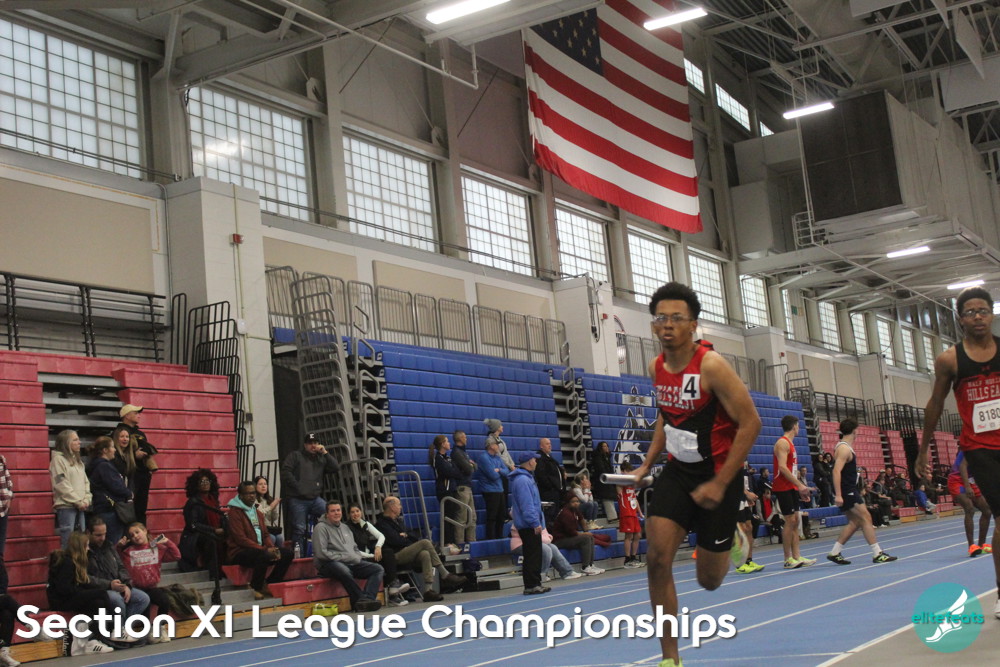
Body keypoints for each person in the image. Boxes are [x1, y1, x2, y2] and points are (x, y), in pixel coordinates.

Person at [632, 282, 761, 667]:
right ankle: (670, 658)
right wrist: (646, 463)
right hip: (678, 472)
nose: (668, 325)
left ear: (693, 324)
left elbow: (751, 423)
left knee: (709, 580)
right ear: (653, 324)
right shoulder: (656, 367)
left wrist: (721, 483)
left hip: (718, 474)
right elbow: (666, 417)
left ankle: (732, 535)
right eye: (661, 318)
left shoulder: (712, 366)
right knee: (657, 559)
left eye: (677, 318)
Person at [918, 287, 1000, 619]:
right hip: (979, 448)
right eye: (970, 312)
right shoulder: (950, 360)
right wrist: (923, 450)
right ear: (960, 319)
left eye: (983, 311)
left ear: (992, 314)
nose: (977, 317)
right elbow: (935, 404)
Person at [826, 418, 897, 566]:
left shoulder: (844, 447)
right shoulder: (844, 449)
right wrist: (838, 494)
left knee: (855, 522)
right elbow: (836, 471)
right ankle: (877, 553)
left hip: (848, 489)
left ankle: (835, 552)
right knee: (866, 518)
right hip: (847, 490)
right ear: (854, 431)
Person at [375, 496, 466, 602]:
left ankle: (428, 591)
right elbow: (395, 541)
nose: (400, 507)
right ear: (392, 507)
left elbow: (414, 535)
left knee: (425, 554)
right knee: (425, 542)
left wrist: (405, 535)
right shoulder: (381, 524)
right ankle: (444, 574)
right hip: (394, 555)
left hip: (406, 551)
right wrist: (405, 537)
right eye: (398, 504)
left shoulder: (398, 521)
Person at [47, 532, 116, 655]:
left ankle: (92, 640)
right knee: (101, 593)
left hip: (69, 596)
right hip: (61, 601)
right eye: (87, 546)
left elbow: (80, 584)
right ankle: (115, 628)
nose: (88, 549)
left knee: (98, 603)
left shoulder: (76, 561)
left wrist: (85, 592)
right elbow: (64, 589)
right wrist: (84, 592)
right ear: (80, 547)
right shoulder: (67, 562)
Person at [117, 523, 192, 632]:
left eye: (137, 532)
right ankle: (145, 633)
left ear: (145, 531)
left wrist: (167, 542)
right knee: (145, 607)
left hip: (152, 587)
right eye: (132, 535)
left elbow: (177, 556)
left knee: (164, 601)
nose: (135, 536)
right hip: (136, 589)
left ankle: (160, 628)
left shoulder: (156, 548)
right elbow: (116, 559)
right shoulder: (128, 551)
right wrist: (119, 546)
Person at [312, 501, 383, 613]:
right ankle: (360, 600)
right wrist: (345, 557)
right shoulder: (320, 528)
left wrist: (356, 557)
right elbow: (321, 554)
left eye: (338, 510)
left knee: (378, 569)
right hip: (328, 564)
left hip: (349, 562)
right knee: (343, 570)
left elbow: (354, 548)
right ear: (327, 514)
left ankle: (367, 599)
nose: (336, 513)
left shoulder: (345, 528)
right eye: (333, 511)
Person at [226, 481, 293, 600]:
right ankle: (255, 587)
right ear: (240, 495)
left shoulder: (257, 512)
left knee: (288, 553)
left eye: (253, 493)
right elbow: (241, 539)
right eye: (248, 493)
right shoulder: (234, 513)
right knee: (263, 555)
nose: (252, 496)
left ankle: (271, 583)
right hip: (239, 552)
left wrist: (271, 547)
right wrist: (264, 549)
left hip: (259, 549)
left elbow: (265, 534)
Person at [86, 517, 151, 629]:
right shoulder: (85, 550)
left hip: (118, 585)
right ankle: (120, 630)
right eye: (98, 535)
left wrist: (127, 585)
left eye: (104, 534)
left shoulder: (109, 546)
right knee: (117, 600)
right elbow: (86, 577)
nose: (102, 538)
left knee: (143, 598)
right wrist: (109, 584)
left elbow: (121, 567)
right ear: (88, 533)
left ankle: (122, 628)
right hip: (101, 588)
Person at [280, 433, 340, 554]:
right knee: (300, 529)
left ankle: (333, 550)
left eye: (315, 443)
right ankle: (299, 556)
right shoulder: (295, 455)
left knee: (332, 517)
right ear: (305, 445)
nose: (313, 446)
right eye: (310, 443)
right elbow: (286, 471)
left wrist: (325, 453)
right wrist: (298, 486)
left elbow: (335, 467)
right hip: (297, 499)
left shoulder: (321, 458)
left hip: (315, 499)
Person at [345, 504, 410, 606]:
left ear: (361, 512)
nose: (355, 514)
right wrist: (371, 555)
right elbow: (354, 550)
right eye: (352, 512)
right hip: (359, 558)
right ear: (349, 515)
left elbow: (381, 536)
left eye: (357, 511)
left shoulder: (365, 524)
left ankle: (393, 587)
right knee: (385, 562)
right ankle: (393, 594)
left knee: (387, 552)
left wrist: (378, 547)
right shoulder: (346, 528)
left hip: (368, 555)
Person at [772, 416, 815, 569]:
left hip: (791, 486)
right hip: (783, 487)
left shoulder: (790, 444)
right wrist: (800, 485)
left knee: (796, 520)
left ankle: (797, 556)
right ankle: (787, 558)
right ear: (795, 426)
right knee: (789, 521)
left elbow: (792, 469)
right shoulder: (782, 443)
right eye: (798, 426)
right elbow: (782, 468)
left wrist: (798, 487)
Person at [510, 451, 549, 595]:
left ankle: (535, 583)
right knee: (532, 555)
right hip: (528, 525)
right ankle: (532, 584)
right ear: (530, 461)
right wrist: (534, 522)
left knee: (534, 554)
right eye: (535, 460)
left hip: (528, 523)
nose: (536, 462)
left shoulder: (526, 479)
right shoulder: (523, 480)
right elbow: (527, 505)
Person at [114, 405, 157, 525]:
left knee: (141, 507)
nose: (139, 415)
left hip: (143, 473)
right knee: (129, 507)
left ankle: (141, 530)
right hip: (130, 474)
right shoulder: (118, 432)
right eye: (136, 413)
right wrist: (134, 455)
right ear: (127, 415)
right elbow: (117, 453)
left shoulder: (140, 433)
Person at [86, 436, 133, 545]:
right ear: (105, 450)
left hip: (103, 508)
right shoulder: (104, 466)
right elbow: (116, 486)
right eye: (112, 447)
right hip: (109, 509)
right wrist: (129, 493)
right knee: (113, 543)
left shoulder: (96, 465)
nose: (115, 450)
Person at [178, 469, 225, 575]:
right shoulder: (193, 502)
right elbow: (193, 525)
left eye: (207, 481)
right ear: (196, 485)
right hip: (195, 536)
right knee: (212, 540)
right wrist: (214, 530)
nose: (205, 484)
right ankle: (213, 573)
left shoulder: (213, 500)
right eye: (202, 482)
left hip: (211, 532)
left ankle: (225, 570)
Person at [50, 429, 91, 549]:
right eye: (75, 440)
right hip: (67, 507)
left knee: (81, 541)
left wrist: (87, 499)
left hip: (81, 506)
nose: (79, 442)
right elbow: (61, 484)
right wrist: (77, 501)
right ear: (66, 443)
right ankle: (67, 561)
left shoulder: (78, 461)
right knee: (68, 541)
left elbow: (86, 482)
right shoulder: (58, 461)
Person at [946, 452, 992, 557]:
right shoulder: (971, 447)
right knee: (969, 508)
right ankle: (971, 546)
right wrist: (967, 486)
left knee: (987, 510)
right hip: (957, 479)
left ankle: (982, 545)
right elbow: (962, 466)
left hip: (971, 480)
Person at [550, 495, 604, 576]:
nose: (576, 503)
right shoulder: (566, 513)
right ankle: (585, 567)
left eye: (577, 501)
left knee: (590, 537)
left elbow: (581, 519)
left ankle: (591, 565)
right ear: (568, 503)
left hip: (569, 537)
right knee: (586, 538)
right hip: (560, 540)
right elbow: (571, 532)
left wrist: (586, 530)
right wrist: (584, 534)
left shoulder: (575, 510)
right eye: (573, 502)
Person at [510, 527, 583, 581]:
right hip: (520, 544)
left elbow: (544, 533)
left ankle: (567, 572)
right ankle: (541, 574)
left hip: (537, 542)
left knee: (553, 547)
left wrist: (547, 538)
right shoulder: (520, 518)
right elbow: (533, 536)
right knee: (546, 549)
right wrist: (547, 539)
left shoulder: (538, 516)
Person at [429, 434, 462, 550]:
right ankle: (447, 542)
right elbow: (448, 472)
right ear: (442, 444)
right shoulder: (437, 458)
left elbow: (457, 472)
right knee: (447, 516)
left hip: (451, 489)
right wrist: (453, 471)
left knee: (451, 516)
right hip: (444, 490)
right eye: (447, 441)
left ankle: (451, 541)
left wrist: (453, 471)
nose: (449, 443)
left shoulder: (447, 458)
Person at [475, 439, 507, 540]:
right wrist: (500, 472)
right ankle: (491, 538)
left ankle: (499, 537)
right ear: (491, 445)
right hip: (489, 490)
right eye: (497, 444)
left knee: (501, 516)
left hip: (500, 489)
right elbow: (492, 475)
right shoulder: (484, 458)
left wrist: (499, 470)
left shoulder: (498, 457)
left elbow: (507, 472)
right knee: (492, 516)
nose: (498, 446)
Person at [734, 462, 763, 574]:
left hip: (743, 495)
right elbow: (733, 477)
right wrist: (746, 493)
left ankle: (748, 560)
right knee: (741, 528)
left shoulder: (744, 458)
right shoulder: (734, 454)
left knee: (749, 527)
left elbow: (744, 477)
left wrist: (747, 494)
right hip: (735, 494)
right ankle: (739, 564)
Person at [451, 430, 477, 545]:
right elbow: (468, 469)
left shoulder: (463, 452)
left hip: (468, 487)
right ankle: (460, 544)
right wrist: (470, 465)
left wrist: (471, 465)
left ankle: (472, 543)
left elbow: (474, 466)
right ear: (460, 438)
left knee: (472, 517)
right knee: (462, 517)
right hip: (462, 488)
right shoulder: (457, 453)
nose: (466, 439)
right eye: (465, 437)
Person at [618, 461, 645, 568]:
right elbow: (619, 489)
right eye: (627, 471)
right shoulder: (620, 482)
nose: (630, 473)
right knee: (628, 536)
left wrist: (640, 512)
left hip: (633, 511)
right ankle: (627, 559)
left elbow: (634, 498)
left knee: (638, 535)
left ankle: (633, 557)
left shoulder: (631, 484)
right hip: (626, 512)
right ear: (623, 471)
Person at [484, 419, 514, 508]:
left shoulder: (500, 440)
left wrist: (512, 464)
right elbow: (498, 456)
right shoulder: (490, 440)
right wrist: (509, 465)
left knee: (505, 494)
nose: (502, 427)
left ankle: (504, 512)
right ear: (496, 427)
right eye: (500, 425)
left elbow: (506, 453)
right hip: (498, 470)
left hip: (504, 470)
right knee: (500, 496)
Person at [535, 437, 565, 526]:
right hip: (548, 492)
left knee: (555, 514)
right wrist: (551, 486)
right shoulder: (540, 457)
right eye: (547, 444)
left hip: (555, 491)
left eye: (550, 444)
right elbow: (541, 475)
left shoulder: (549, 457)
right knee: (550, 515)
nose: (550, 446)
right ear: (541, 446)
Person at [252, 476, 283, 548]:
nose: (263, 486)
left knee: (279, 537)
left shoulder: (269, 499)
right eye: (260, 484)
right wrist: (270, 507)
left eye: (265, 484)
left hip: (268, 528)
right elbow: (259, 514)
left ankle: (279, 554)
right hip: (258, 528)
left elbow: (274, 518)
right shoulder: (253, 500)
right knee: (272, 538)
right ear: (255, 486)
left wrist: (274, 508)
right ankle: (268, 554)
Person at [591, 441, 618, 523]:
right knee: (607, 497)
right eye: (604, 446)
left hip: (608, 480)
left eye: (607, 446)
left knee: (609, 497)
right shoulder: (598, 457)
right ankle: (612, 517)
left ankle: (613, 516)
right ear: (600, 448)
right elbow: (601, 469)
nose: (606, 448)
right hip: (602, 481)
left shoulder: (607, 457)